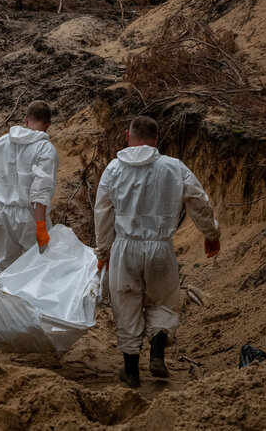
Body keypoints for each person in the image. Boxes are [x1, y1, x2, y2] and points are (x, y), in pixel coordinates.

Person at [94, 115, 221, 388]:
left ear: (127, 136)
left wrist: (103, 251)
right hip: (161, 247)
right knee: (163, 300)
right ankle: (157, 355)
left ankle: (131, 371)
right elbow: (199, 200)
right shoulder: (174, 167)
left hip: (125, 247)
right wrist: (211, 234)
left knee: (126, 303)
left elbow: (102, 212)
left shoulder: (113, 169)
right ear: (156, 139)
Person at [0, 101, 59, 275]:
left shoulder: (2, 142)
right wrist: (40, 226)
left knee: (4, 263)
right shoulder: (45, 149)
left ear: (26, 119)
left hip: (2, 213)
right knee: (37, 265)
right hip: (30, 215)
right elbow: (41, 190)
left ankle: (0, 290)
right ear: (48, 124)